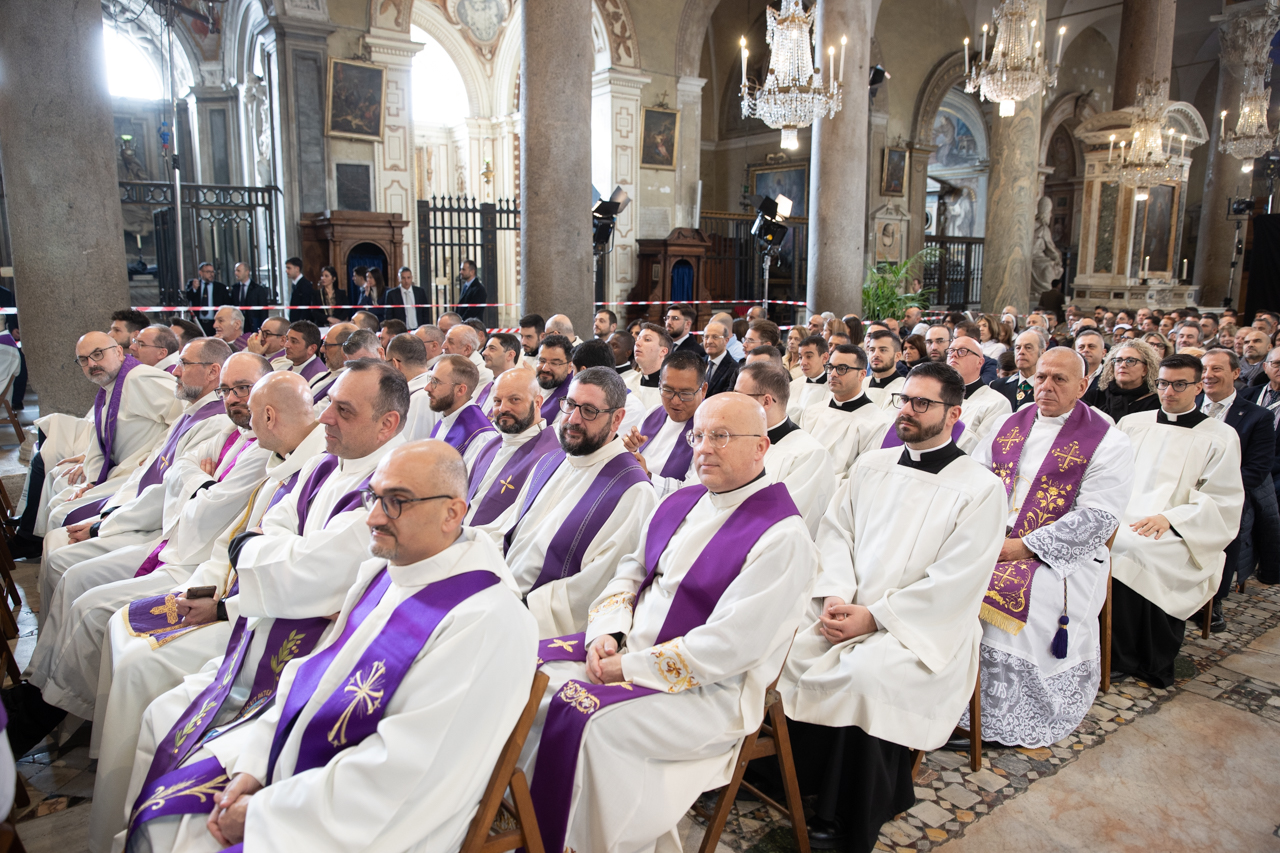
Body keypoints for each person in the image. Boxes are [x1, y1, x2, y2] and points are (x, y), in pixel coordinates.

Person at [117, 438, 533, 853]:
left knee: (175, 837)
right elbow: (312, 675)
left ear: (452, 513)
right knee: (161, 813)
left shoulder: (486, 621)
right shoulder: (387, 571)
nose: (373, 517)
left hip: (371, 827)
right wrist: (255, 766)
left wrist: (262, 815)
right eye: (374, 496)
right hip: (312, 781)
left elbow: (404, 776)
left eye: (396, 502)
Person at [519, 392, 815, 853]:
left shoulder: (783, 537)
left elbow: (730, 646)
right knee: (523, 673)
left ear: (761, 447)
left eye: (721, 436)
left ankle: (584, 842)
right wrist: (607, 633)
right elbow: (631, 570)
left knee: (590, 723)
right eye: (699, 436)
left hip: (708, 690)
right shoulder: (684, 500)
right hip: (628, 649)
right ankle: (517, 821)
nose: (704, 448)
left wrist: (629, 667)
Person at [780, 363, 1005, 853]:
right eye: (905, 399)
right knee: (783, 646)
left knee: (865, 677)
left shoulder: (980, 488)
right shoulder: (872, 465)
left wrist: (874, 617)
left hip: (921, 627)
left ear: (954, 414)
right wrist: (836, 595)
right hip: (849, 605)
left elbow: (956, 581)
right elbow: (836, 533)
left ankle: (850, 811)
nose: (907, 410)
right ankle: (789, 779)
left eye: (922, 403)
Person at [5, 354, 273, 758]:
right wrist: (197, 482)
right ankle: (40, 693)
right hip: (177, 539)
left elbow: (207, 510)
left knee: (92, 607)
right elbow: (171, 472)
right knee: (78, 585)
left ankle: (44, 712)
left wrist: (196, 482)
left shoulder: (257, 447)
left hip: (194, 560)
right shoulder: (228, 429)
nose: (233, 398)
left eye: (243, 389)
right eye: (227, 391)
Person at [966, 348, 1133, 749]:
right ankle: (947, 694)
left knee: (1001, 594)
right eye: (1041, 377)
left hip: (1056, 556)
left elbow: (1098, 518)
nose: (1046, 386)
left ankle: (996, 713)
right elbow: (973, 478)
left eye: (1060, 379)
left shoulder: (1108, 441)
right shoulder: (1009, 423)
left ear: (1082, 385)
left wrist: (1023, 547)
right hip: (992, 536)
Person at [35, 339, 235, 618]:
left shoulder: (214, 422)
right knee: (58, 542)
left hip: (158, 528)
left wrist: (104, 525)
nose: (175, 371)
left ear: (213, 371)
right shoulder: (190, 412)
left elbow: (169, 493)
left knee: (65, 565)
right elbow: (151, 468)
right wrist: (110, 511)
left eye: (183, 363)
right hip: (140, 513)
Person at [477, 367, 655, 638]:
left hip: (534, 621)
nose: (573, 419)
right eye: (570, 404)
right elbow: (507, 529)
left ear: (617, 418)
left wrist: (516, 608)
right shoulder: (552, 459)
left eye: (589, 411)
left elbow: (596, 584)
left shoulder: (633, 491)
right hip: (500, 591)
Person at [1110, 355, 1244, 687]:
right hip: (1123, 514)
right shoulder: (1132, 424)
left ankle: (1132, 655)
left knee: (1135, 551)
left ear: (1199, 387)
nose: (1169, 392)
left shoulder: (1220, 436)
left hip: (1180, 526)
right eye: (1163, 383)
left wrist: (1170, 518)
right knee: (1102, 542)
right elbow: (1108, 475)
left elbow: (1222, 499)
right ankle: (1094, 643)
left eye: (1180, 384)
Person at [11, 333, 183, 557]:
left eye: (98, 354)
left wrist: (160, 452)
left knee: (60, 512)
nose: (92, 364)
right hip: (122, 470)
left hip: (139, 473)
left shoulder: (138, 378)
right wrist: (92, 478)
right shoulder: (111, 385)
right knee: (58, 498)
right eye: (84, 359)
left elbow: (184, 413)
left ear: (118, 352)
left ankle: (62, 559)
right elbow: (100, 436)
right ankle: (44, 550)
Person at [1200, 348, 1275, 629]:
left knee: (1229, 525)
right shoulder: (1185, 406)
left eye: (1217, 369)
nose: (1208, 375)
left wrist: (1213, 492)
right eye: (1204, 369)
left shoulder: (1258, 416)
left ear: (1235, 373)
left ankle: (1214, 599)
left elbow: (1256, 469)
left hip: (1228, 495)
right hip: (1180, 490)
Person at [734, 362, 836, 536]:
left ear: (766, 401)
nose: (733, 403)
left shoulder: (809, 455)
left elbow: (784, 520)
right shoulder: (734, 439)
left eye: (740, 397)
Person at [465, 368, 561, 531]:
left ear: (538, 402)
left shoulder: (551, 458)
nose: (503, 408)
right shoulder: (489, 446)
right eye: (497, 401)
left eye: (514, 400)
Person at [799, 344, 891, 481]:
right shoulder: (812, 412)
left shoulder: (877, 424)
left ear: (862, 374)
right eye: (831, 367)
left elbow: (860, 476)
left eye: (842, 369)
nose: (833, 374)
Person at [625, 351, 706, 495]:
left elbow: (694, 492)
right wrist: (631, 449)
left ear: (703, 390)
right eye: (668, 390)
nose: (675, 401)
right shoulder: (653, 413)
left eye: (685, 393)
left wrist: (647, 476)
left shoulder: (710, 430)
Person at [425, 354, 496, 468]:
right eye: (430, 379)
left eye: (436, 382)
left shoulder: (481, 437)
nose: (427, 387)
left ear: (460, 390)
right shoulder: (447, 417)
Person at [946, 334, 1012, 451]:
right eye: (951, 351)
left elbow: (981, 450)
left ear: (980, 362)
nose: (954, 355)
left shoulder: (997, 403)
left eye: (962, 351)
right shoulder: (935, 396)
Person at [1087, 340, 1162, 421]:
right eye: (1118, 360)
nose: (1122, 365)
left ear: (1145, 369)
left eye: (1131, 361)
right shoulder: (1094, 396)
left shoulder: (1155, 403)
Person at [386, 332, 437, 441]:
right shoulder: (437, 387)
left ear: (395, 364)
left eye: (387, 364)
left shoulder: (419, 399)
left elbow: (409, 446)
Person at [992, 329, 1045, 411]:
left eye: (1028, 348)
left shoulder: (1048, 387)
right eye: (1018, 348)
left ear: (1042, 353)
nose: (1021, 352)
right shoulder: (997, 386)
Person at [626, 323, 671, 410]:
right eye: (638, 339)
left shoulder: (672, 391)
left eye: (647, 339)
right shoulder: (626, 385)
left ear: (663, 351)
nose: (637, 343)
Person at [787, 334, 830, 421]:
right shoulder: (793, 386)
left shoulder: (833, 390)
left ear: (824, 358)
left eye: (809, 356)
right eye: (800, 357)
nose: (802, 363)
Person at [534, 334, 575, 423]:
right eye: (542, 361)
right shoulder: (530, 384)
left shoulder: (571, 399)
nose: (545, 368)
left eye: (554, 363)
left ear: (570, 366)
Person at [477, 331, 522, 411]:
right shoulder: (486, 386)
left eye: (492, 349)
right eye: (486, 348)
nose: (484, 353)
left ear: (510, 355)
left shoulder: (519, 389)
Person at [863, 330, 905, 409]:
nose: (875, 354)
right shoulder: (860, 384)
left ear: (897, 356)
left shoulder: (904, 388)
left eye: (883, 350)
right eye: (872, 350)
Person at [184, 262, 229, 334]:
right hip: (198, 322)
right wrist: (194, 289)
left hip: (215, 323)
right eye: (208, 272)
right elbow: (187, 297)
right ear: (201, 273)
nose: (211, 274)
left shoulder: (220, 287)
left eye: (212, 272)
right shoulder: (193, 283)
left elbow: (227, 303)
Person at [229, 262, 270, 332]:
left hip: (253, 324)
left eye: (238, 271)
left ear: (247, 272)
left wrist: (263, 327)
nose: (236, 273)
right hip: (238, 324)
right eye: (235, 271)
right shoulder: (235, 288)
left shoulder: (257, 289)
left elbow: (263, 310)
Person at [702, 319, 739, 397]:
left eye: (715, 337)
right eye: (706, 337)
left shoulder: (734, 369)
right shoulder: (698, 363)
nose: (709, 341)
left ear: (726, 340)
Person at [284, 257, 321, 326]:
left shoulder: (305, 285)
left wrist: (301, 324)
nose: (286, 271)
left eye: (289, 268)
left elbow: (306, 307)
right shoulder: (295, 284)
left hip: (302, 324)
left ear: (297, 268)